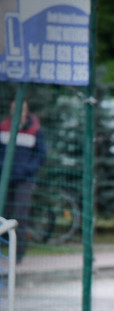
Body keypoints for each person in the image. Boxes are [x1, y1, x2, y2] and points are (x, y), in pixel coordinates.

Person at [0, 99, 46, 263]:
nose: (17, 111)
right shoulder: (4, 127)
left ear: (26, 111)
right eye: (14, 108)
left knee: (20, 216)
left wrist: (26, 170)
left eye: (20, 109)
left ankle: (18, 255)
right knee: (2, 214)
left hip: (24, 180)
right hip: (4, 178)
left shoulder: (35, 130)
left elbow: (41, 155)